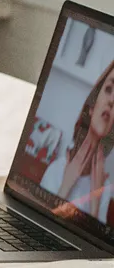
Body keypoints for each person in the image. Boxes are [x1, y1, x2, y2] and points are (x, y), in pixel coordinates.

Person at [40, 59, 114, 223]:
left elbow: (93, 246)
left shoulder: (104, 189)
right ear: (92, 106)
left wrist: (95, 201)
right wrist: (66, 187)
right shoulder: (57, 171)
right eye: (109, 89)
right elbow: (40, 226)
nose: (112, 100)